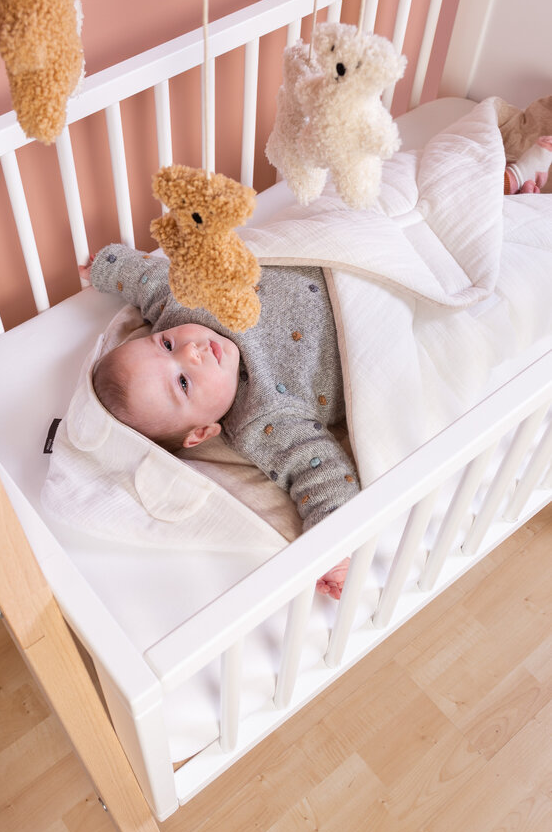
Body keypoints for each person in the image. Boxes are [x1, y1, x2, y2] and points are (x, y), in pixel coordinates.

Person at [79, 245, 360, 599]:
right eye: (183, 382)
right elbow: (322, 474)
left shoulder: (180, 311)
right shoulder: (263, 420)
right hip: (360, 319)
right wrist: (332, 551)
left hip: (330, 259)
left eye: (166, 345)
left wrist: (108, 265)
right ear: (202, 431)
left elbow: (147, 278)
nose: (190, 350)